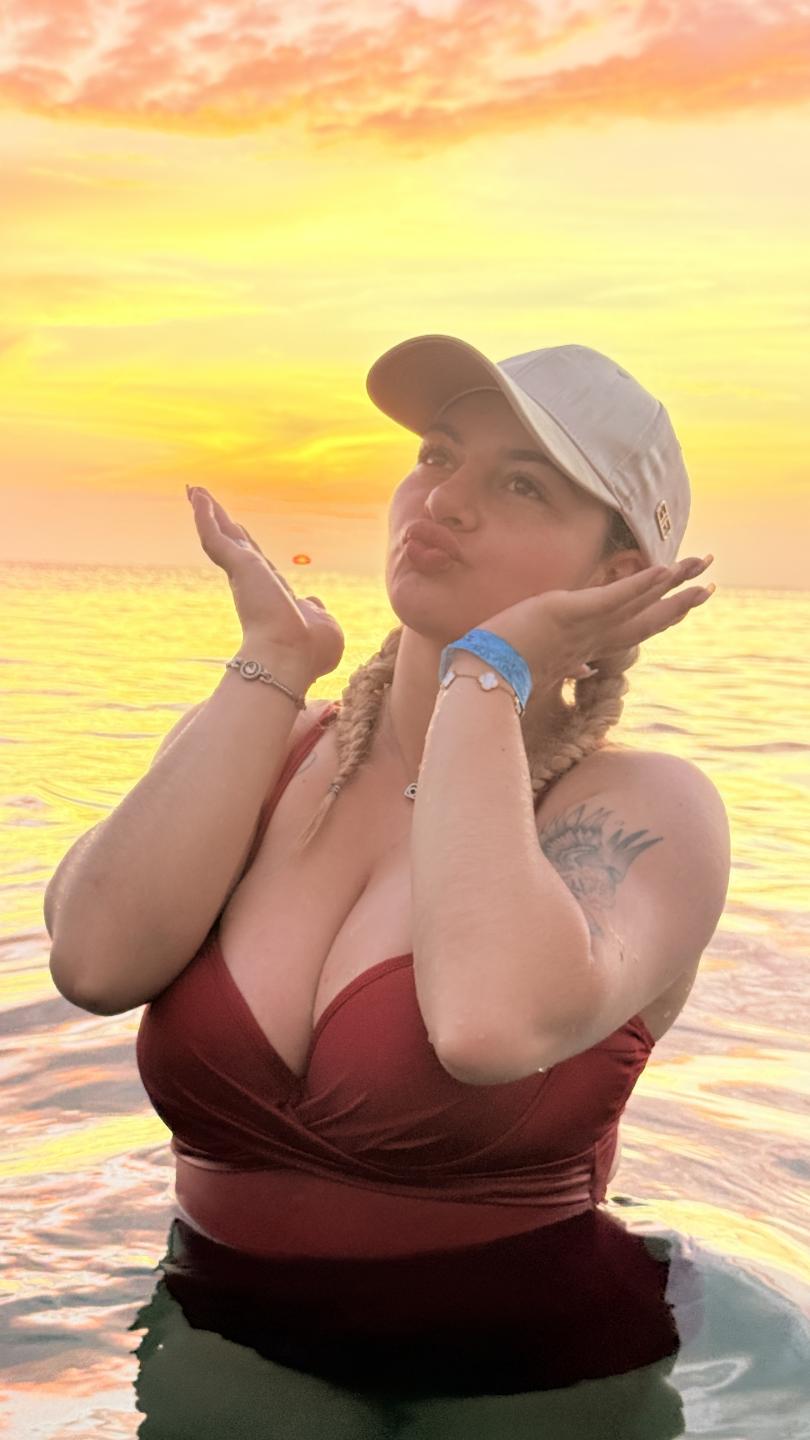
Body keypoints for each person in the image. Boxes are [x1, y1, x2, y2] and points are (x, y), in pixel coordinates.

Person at [50, 333, 729, 1411]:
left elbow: (489, 1025)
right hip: (224, 1338)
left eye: (520, 484)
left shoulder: (646, 809)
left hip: (533, 1379)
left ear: (616, 581)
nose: (445, 500)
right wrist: (271, 665)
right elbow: (92, 963)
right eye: (437, 456)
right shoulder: (270, 747)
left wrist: (487, 676)